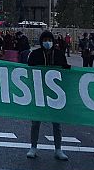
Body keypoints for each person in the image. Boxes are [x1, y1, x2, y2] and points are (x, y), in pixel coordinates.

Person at [26, 31, 71, 161]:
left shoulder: (59, 54)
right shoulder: (35, 55)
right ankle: (33, 147)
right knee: (36, 122)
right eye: (45, 40)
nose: (47, 42)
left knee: (57, 123)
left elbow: (65, 72)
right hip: (38, 92)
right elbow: (29, 70)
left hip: (55, 94)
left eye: (49, 40)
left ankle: (58, 149)